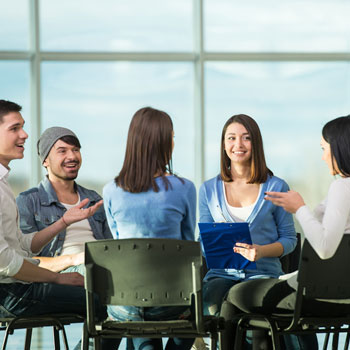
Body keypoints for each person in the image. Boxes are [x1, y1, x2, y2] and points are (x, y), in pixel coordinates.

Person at [227, 115, 350, 349]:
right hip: (343, 294)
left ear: (340, 149)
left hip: (321, 296)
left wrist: (299, 208)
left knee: (234, 296)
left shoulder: (342, 188)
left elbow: (324, 248)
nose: (323, 157)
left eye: (325, 149)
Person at [0, 100, 113, 348]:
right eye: (15, 128)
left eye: (23, 127)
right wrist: (60, 277)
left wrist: (63, 221)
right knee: (108, 304)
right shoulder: (23, 196)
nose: (24, 134)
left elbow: (24, 245)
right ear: (45, 161)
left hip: (21, 285)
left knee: (114, 297)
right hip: (12, 293)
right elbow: (6, 263)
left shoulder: (4, 183)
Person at [198, 114, 297, 349]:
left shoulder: (276, 187)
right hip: (221, 276)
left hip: (263, 275)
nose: (238, 145)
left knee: (257, 316)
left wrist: (261, 251)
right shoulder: (209, 190)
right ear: (224, 144)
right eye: (231, 138)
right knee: (213, 307)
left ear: (256, 144)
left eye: (246, 138)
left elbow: (289, 239)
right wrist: (216, 242)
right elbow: (202, 242)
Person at [103, 107, 196, 350]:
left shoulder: (111, 190)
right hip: (172, 302)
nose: (174, 143)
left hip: (123, 305)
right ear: (163, 143)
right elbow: (188, 249)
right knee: (195, 306)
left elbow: (121, 244)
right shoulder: (185, 188)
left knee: (138, 307)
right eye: (172, 138)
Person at [16, 126, 112, 274]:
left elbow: (112, 246)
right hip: (64, 273)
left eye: (75, 150)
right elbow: (25, 260)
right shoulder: (28, 201)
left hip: (103, 266)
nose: (72, 156)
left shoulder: (93, 199)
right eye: (62, 151)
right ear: (45, 160)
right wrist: (73, 259)